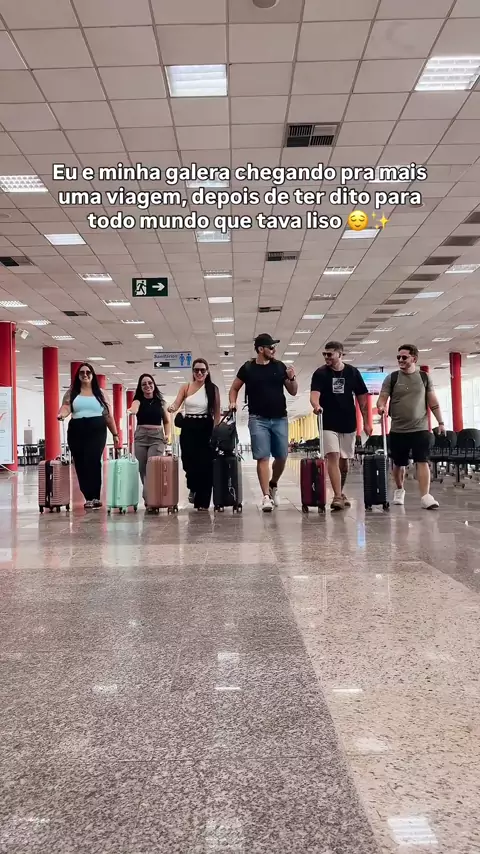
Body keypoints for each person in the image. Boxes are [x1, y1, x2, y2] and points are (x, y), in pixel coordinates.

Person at [228, 333, 298, 512]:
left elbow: (293, 391)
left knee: (282, 456)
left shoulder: (279, 366)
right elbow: (234, 388)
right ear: (261, 349)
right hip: (257, 418)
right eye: (271, 347)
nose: (274, 350)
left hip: (279, 417)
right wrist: (232, 402)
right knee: (263, 457)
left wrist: (291, 378)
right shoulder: (248, 368)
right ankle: (266, 496)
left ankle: (273, 484)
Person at [376, 344, 445, 509]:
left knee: (422, 460)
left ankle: (425, 496)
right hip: (398, 429)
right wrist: (381, 407)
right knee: (399, 463)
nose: (400, 360)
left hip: (420, 428)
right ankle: (400, 489)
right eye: (398, 357)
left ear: (414, 358)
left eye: (404, 357)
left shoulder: (424, 377)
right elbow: (382, 397)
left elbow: (433, 402)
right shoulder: (392, 378)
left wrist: (441, 422)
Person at [310, 341, 371, 511]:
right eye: (325, 354)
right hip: (328, 422)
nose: (326, 357)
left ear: (340, 354)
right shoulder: (320, 373)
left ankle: (340, 492)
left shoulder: (352, 372)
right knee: (333, 456)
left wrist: (367, 422)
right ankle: (337, 496)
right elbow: (314, 395)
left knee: (344, 462)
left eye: (330, 354)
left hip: (348, 422)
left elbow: (362, 400)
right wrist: (316, 405)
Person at [58, 363, 119, 509]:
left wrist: (115, 434)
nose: (85, 375)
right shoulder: (72, 392)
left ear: (92, 375)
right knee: (80, 462)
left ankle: (95, 496)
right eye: (82, 372)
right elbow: (66, 406)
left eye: (88, 372)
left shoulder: (101, 393)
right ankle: (88, 497)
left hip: (97, 429)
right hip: (77, 429)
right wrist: (62, 414)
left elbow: (108, 415)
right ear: (78, 375)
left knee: (93, 460)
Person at [167, 358, 220, 510]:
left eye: (202, 370)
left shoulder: (212, 389)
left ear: (207, 372)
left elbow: (216, 413)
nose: (199, 373)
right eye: (196, 370)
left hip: (205, 426)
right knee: (189, 462)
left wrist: (215, 432)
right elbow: (177, 403)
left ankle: (203, 502)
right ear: (193, 372)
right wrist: (172, 407)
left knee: (205, 464)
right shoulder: (186, 387)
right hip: (188, 427)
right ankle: (193, 487)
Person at [127, 374, 171, 512]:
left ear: (154, 384)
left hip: (157, 437)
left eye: (150, 383)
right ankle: (149, 498)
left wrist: (168, 434)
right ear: (140, 387)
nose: (147, 386)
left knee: (152, 468)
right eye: (144, 384)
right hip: (141, 437)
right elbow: (134, 408)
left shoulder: (161, 402)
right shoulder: (138, 401)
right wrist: (132, 411)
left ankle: (151, 499)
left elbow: (166, 421)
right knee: (143, 469)